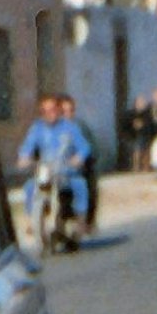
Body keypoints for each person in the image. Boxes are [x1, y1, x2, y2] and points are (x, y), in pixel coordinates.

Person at [18, 95, 92, 234]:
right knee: (30, 186)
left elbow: (84, 146)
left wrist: (78, 157)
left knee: (79, 184)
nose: (49, 114)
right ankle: (31, 220)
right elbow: (27, 145)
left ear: (58, 110)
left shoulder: (70, 127)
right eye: (44, 111)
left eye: (52, 109)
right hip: (47, 169)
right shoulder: (37, 128)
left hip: (66, 170)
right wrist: (24, 157)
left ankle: (81, 219)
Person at [59, 95, 100, 230]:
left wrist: (81, 158)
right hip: (57, 167)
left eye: (71, 110)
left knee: (89, 183)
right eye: (64, 111)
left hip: (79, 167)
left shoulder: (80, 126)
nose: (68, 114)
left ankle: (88, 219)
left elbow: (91, 147)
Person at [121, 95, 151, 172]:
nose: (142, 105)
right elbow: (126, 128)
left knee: (145, 144)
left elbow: (149, 127)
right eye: (140, 103)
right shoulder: (129, 114)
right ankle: (136, 167)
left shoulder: (147, 115)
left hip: (145, 137)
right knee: (137, 145)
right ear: (136, 104)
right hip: (132, 137)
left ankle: (145, 167)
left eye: (143, 103)